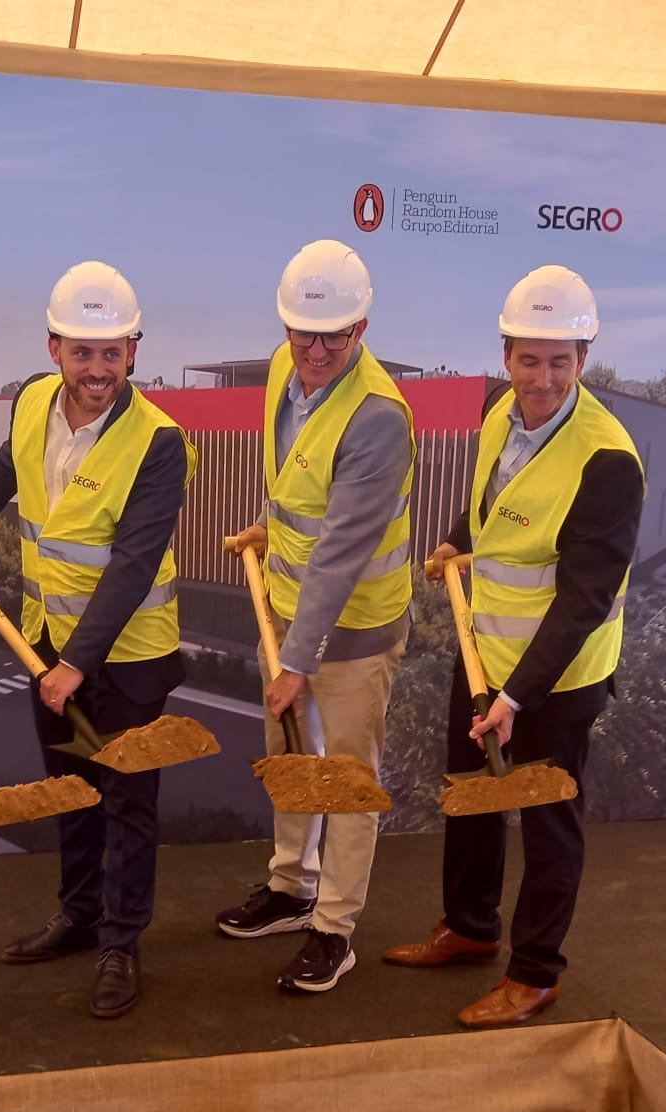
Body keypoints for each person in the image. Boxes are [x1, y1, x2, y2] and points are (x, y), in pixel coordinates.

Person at [0, 262, 195, 1020]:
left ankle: (121, 942)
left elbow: (136, 562)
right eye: (82, 352)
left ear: (134, 352)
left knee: (128, 803)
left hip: (128, 657)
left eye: (112, 353)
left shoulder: (160, 441)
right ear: (55, 348)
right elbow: (6, 465)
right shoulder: (33, 401)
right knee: (73, 791)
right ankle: (78, 916)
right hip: (44, 644)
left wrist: (79, 663)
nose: (97, 369)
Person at [384, 265, 645, 1029]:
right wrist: (458, 541)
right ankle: (468, 926)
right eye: (528, 360)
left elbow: (584, 600)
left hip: (555, 681)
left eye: (560, 362)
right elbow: (496, 510)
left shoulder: (608, 461)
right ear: (506, 356)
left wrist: (516, 698)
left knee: (546, 818)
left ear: (583, 361)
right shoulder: (499, 413)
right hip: (485, 655)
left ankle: (535, 974)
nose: (542, 378)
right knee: (469, 798)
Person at [218, 239, 415, 994]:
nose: (319, 349)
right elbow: (298, 486)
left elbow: (340, 551)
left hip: (355, 630)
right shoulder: (281, 367)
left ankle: (334, 928)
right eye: (305, 332)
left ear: (363, 329)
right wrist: (274, 529)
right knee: (295, 759)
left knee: (346, 777)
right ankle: (291, 888)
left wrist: (295, 663)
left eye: (338, 334)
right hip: (291, 613)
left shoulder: (378, 418)